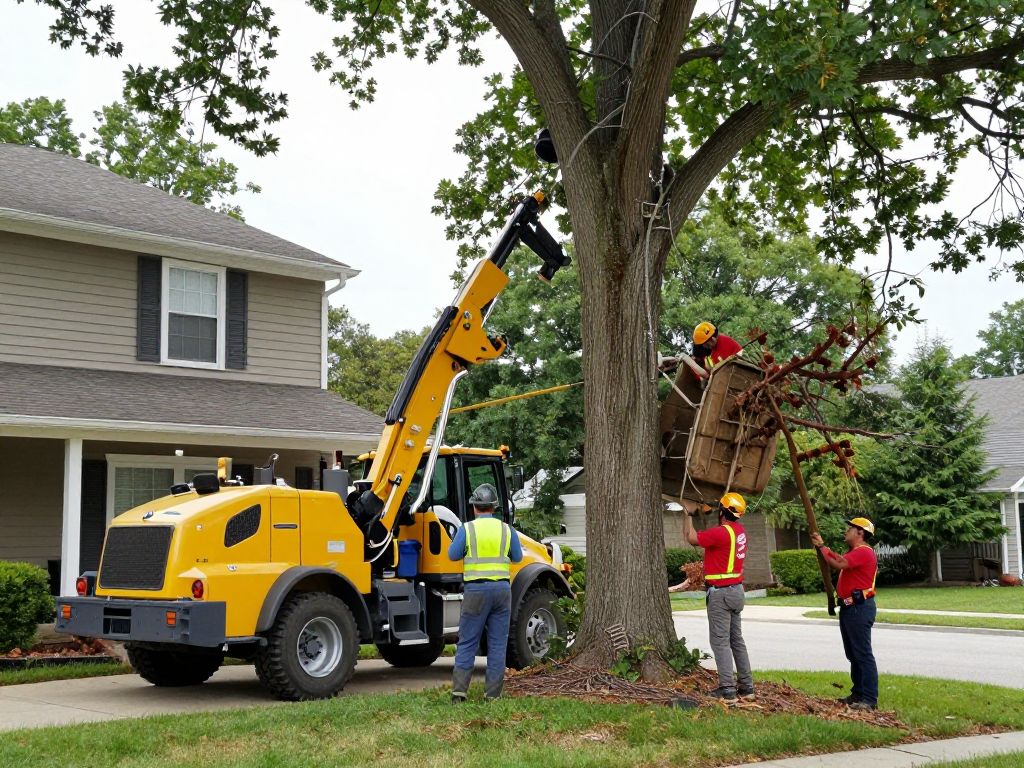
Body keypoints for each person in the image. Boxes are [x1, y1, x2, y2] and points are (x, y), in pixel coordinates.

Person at [447, 482, 523, 702]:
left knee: (468, 641)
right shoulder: (507, 530)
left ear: (474, 507)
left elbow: (453, 555)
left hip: (476, 591)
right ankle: (493, 695)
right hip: (501, 590)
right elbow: (517, 557)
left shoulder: (467, 528)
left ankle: (459, 693)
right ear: (494, 507)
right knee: (498, 644)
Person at [682, 492, 754, 702]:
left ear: (722, 511)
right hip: (737, 591)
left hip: (721, 593)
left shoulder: (721, 533)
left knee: (720, 642)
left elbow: (691, 538)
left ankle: (727, 689)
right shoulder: (740, 532)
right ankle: (747, 687)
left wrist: (687, 512)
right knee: (736, 640)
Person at [810, 518, 879, 711]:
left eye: (850, 528)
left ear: (860, 533)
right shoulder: (855, 553)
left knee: (863, 654)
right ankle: (858, 693)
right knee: (854, 654)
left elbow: (837, 563)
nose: (846, 531)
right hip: (850, 608)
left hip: (859, 607)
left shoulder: (864, 552)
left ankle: (869, 699)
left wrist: (822, 546)